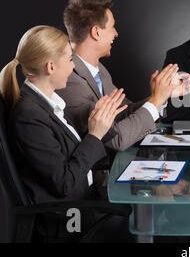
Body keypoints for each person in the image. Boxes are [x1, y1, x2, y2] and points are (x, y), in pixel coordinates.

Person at [0, 26, 133, 240]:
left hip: (86, 203)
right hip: (68, 221)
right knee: (141, 222)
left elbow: (76, 153)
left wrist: (101, 121)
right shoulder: (28, 116)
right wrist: (94, 135)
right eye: (70, 60)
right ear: (51, 66)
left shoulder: (50, 103)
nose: (73, 67)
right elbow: (64, 183)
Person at [56, 0, 190, 153]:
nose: (116, 33)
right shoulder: (68, 80)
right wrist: (156, 99)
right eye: (112, 27)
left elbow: (124, 111)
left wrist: (163, 95)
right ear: (96, 32)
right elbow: (116, 139)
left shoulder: (98, 69)